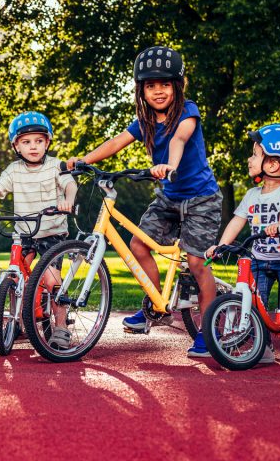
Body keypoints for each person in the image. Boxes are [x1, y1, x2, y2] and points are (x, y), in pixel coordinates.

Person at [67, 45, 222, 358]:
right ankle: (155, 306)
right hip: (168, 198)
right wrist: (83, 160)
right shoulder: (144, 121)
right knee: (138, 245)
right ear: (142, 91)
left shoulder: (187, 111)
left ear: (178, 86)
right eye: (151, 86)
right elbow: (116, 142)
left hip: (201, 199)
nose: (158, 91)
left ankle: (209, 332)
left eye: (165, 84)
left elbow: (179, 138)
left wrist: (171, 166)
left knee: (195, 263)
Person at [206, 124, 280, 365]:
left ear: (274, 164)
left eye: (255, 154)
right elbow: (237, 222)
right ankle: (265, 347)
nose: (249, 159)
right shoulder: (251, 195)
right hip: (260, 258)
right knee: (257, 304)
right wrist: (221, 245)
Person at [0, 111, 78, 347]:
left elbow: (70, 185)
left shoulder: (55, 166)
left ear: (47, 142)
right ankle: (15, 322)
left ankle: (60, 326)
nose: (33, 147)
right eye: (26, 142)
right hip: (24, 232)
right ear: (16, 146)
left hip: (51, 232)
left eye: (39, 141)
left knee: (51, 280)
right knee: (16, 277)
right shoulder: (14, 169)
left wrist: (68, 200)